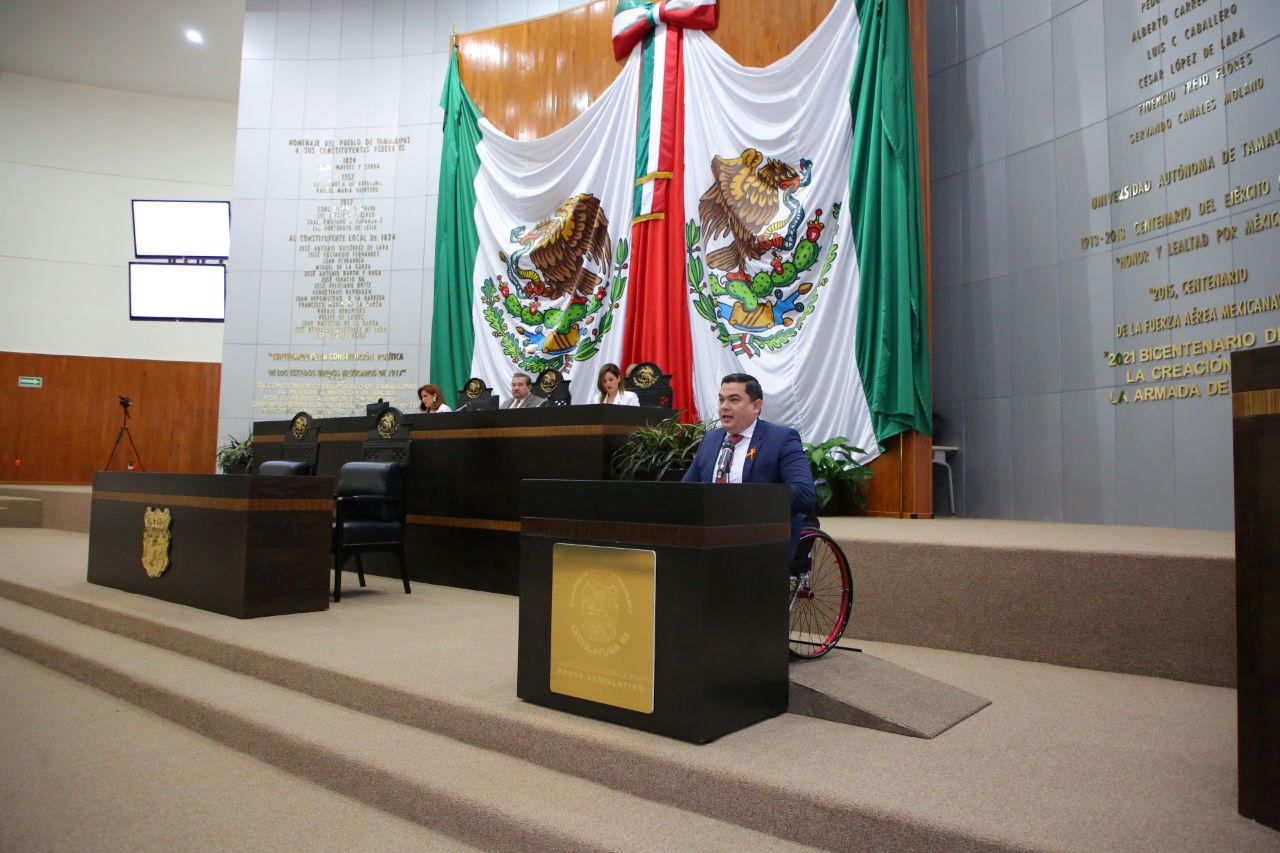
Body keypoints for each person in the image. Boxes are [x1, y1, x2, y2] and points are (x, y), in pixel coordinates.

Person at [683, 373, 815, 557]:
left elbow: (804, 493)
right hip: (711, 536)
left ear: (756, 406)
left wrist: (744, 501)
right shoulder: (710, 440)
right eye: (721, 400)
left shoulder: (780, 439)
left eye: (734, 400)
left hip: (761, 535)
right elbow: (686, 491)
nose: (724, 407)